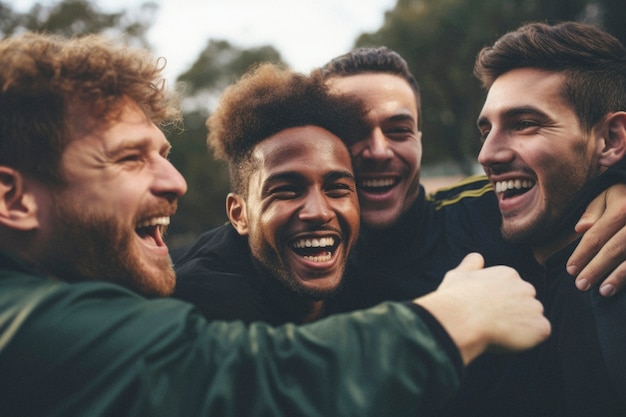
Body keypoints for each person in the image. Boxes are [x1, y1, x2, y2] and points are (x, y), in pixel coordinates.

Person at [0, 32, 550, 417]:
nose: (175, 181)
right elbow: (236, 380)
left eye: (339, 186)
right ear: (13, 198)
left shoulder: (455, 220)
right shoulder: (39, 321)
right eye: (128, 158)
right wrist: (454, 319)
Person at [317, 46, 626, 316]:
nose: (379, 152)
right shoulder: (296, 261)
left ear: (419, 140)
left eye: (399, 130)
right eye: (353, 131)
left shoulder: (494, 211)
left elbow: (573, 170)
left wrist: (616, 180)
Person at [464, 21, 626, 416]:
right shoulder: (480, 239)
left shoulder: (612, 294)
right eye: (486, 129)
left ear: (611, 140)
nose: (487, 154)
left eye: (524, 124)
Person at [173, 63, 367, 324]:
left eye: (337, 189)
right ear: (239, 215)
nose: (319, 212)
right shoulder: (203, 305)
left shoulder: (371, 266)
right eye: (287, 191)